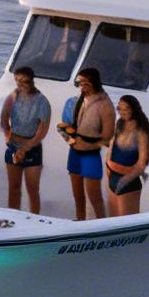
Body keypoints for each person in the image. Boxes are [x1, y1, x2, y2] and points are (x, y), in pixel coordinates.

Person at [58, 67, 113, 220]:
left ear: (93, 82)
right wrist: (71, 140)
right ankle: (80, 222)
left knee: (95, 197)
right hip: (75, 151)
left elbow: (107, 136)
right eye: (79, 83)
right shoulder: (75, 101)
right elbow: (64, 126)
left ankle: (102, 224)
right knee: (77, 195)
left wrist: (90, 146)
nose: (81, 86)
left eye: (85, 83)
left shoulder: (104, 104)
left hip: (90, 154)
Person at [0, 66, 51, 213]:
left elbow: (42, 130)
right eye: (18, 80)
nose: (21, 84)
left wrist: (26, 148)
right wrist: (7, 134)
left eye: (24, 81)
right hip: (13, 144)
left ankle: (34, 219)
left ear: (31, 80)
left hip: (32, 147)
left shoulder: (41, 101)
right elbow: (4, 117)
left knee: (32, 189)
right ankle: (14, 216)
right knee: (14, 187)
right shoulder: (12, 97)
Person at [105, 94, 149, 217]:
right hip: (112, 177)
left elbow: (142, 163)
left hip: (128, 181)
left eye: (125, 108)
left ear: (133, 109)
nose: (122, 112)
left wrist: (124, 178)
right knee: (112, 220)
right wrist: (108, 167)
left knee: (125, 221)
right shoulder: (119, 125)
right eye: (119, 108)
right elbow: (111, 148)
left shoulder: (142, 132)